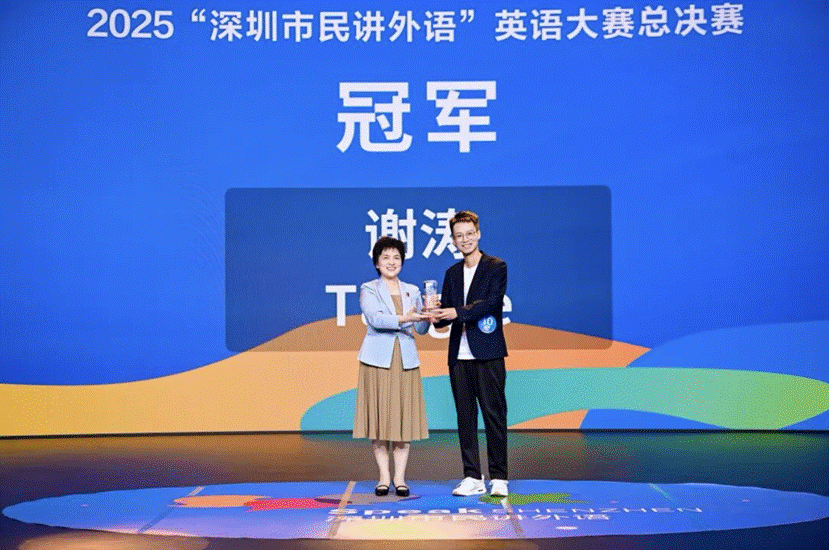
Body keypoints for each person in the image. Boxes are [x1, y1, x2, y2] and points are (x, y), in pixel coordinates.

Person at [431, 211, 509, 497]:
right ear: (453, 240)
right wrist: (435, 314)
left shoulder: (496, 267)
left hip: (487, 351)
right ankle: (472, 476)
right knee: (465, 417)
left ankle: (499, 476)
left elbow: (491, 304)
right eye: (458, 236)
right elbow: (445, 316)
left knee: (493, 414)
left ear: (478, 234)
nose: (464, 239)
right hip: (459, 355)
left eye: (469, 234)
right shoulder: (452, 273)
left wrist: (457, 312)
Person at [353, 236, 430, 498]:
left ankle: (400, 478)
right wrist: (405, 317)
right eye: (385, 257)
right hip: (378, 360)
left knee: (402, 421)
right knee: (380, 422)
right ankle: (384, 477)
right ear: (377, 263)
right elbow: (375, 319)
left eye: (396, 257)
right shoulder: (369, 288)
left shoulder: (412, 290)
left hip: (405, 360)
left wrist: (427, 314)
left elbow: (421, 329)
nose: (391, 262)